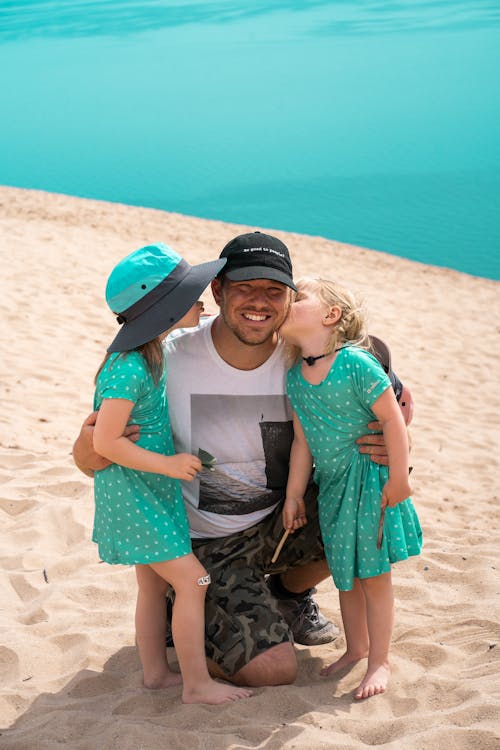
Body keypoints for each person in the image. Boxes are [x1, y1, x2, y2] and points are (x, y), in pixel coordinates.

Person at [74, 231, 402, 688]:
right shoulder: (162, 356)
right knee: (273, 671)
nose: (259, 302)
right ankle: (190, 613)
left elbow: (392, 391)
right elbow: (91, 454)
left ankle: (289, 594)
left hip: (281, 524)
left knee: (358, 505)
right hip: (201, 544)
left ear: (290, 301)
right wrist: (89, 449)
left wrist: (392, 442)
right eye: (244, 287)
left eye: (274, 291)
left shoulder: (309, 354)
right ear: (217, 291)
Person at [90, 242, 251, 704]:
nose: (201, 302)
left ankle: (156, 675)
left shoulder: (153, 356)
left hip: (150, 489)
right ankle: (197, 685)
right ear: (162, 311)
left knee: (152, 583)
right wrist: (170, 464)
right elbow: (105, 441)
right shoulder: (127, 369)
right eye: (191, 296)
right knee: (193, 580)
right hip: (135, 492)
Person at [279, 276, 422, 699]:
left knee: (374, 576)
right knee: (345, 574)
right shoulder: (295, 377)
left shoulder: (356, 363)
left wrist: (400, 479)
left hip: (370, 482)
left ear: (331, 315)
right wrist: (293, 495)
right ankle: (356, 647)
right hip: (334, 488)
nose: (288, 301)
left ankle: (379, 659)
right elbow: (302, 443)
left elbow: (393, 420)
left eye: (298, 297)